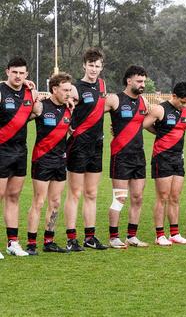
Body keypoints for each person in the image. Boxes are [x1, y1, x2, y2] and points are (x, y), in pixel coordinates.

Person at [144, 82, 186, 246]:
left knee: (175, 197)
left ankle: (175, 233)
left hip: (178, 159)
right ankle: (159, 235)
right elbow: (144, 124)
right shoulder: (160, 109)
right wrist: (159, 133)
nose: (185, 105)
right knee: (162, 197)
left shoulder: (185, 112)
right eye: (182, 102)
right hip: (161, 157)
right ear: (174, 96)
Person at [63, 48, 109, 251]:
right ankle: (71, 238)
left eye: (97, 66)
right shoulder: (75, 88)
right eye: (90, 65)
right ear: (84, 65)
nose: (94, 69)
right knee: (75, 192)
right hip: (78, 145)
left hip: (97, 144)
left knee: (91, 193)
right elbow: (63, 108)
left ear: (101, 67)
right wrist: (69, 127)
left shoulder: (102, 85)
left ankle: (90, 237)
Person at [25, 73, 73, 255]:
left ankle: (49, 240)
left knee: (55, 202)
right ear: (54, 89)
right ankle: (31, 243)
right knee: (39, 201)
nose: (69, 93)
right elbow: (22, 117)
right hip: (42, 160)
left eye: (69, 90)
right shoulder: (40, 107)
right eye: (65, 90)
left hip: (60, 161)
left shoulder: (70, 108)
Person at [105, 65, 151, 248]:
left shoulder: (144, 103)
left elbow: (148, 124)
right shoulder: (115, 99)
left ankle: (132, 236)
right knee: (120, 198)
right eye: (139, 81)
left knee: (138, 197)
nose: (142, 85)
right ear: (129, 80)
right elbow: (92, 115)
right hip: (120, 156)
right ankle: (114, 237)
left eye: (144, 82)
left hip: (139, 156)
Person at [1, 57, 37, 257]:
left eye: (22, 73)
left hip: (20, 151)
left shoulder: (29, 92)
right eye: (14, 72)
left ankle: (12, 243)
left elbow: (32, 113)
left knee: (13, 197)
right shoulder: (1, 91)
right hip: (1, 150)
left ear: (26, 74)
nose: (18, 76)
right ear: (7, 72)